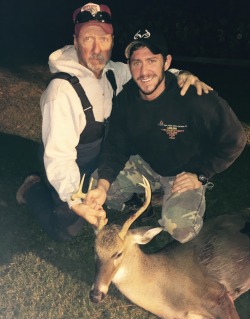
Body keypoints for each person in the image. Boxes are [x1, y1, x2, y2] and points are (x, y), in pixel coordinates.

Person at [16, 3, 212, 242]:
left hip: (105, 159)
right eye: (88, 39)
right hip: (72, 165)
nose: (97, 49)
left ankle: (142, 193)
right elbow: (59, 157)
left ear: (112, 41)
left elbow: (148, 72)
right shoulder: (61, 92)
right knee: (67, 231)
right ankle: (32, 187)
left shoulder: (112, 72)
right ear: (76, 42)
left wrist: (183, 75)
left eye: (104, 39)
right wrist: (74, 199)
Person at [85, 27, 247, 244]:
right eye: (137, 62)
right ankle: (148, 200)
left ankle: (176, 197)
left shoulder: (194, 97)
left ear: (167, 62)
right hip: (147, 165)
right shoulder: (126, 100)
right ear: (130, 66)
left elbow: (235, 138)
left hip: (183, 174)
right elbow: (115, 146)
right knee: (96, 185)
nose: (144, 72)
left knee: (180, 229)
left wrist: (201, 174)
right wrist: (103, 187)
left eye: (151, 60)